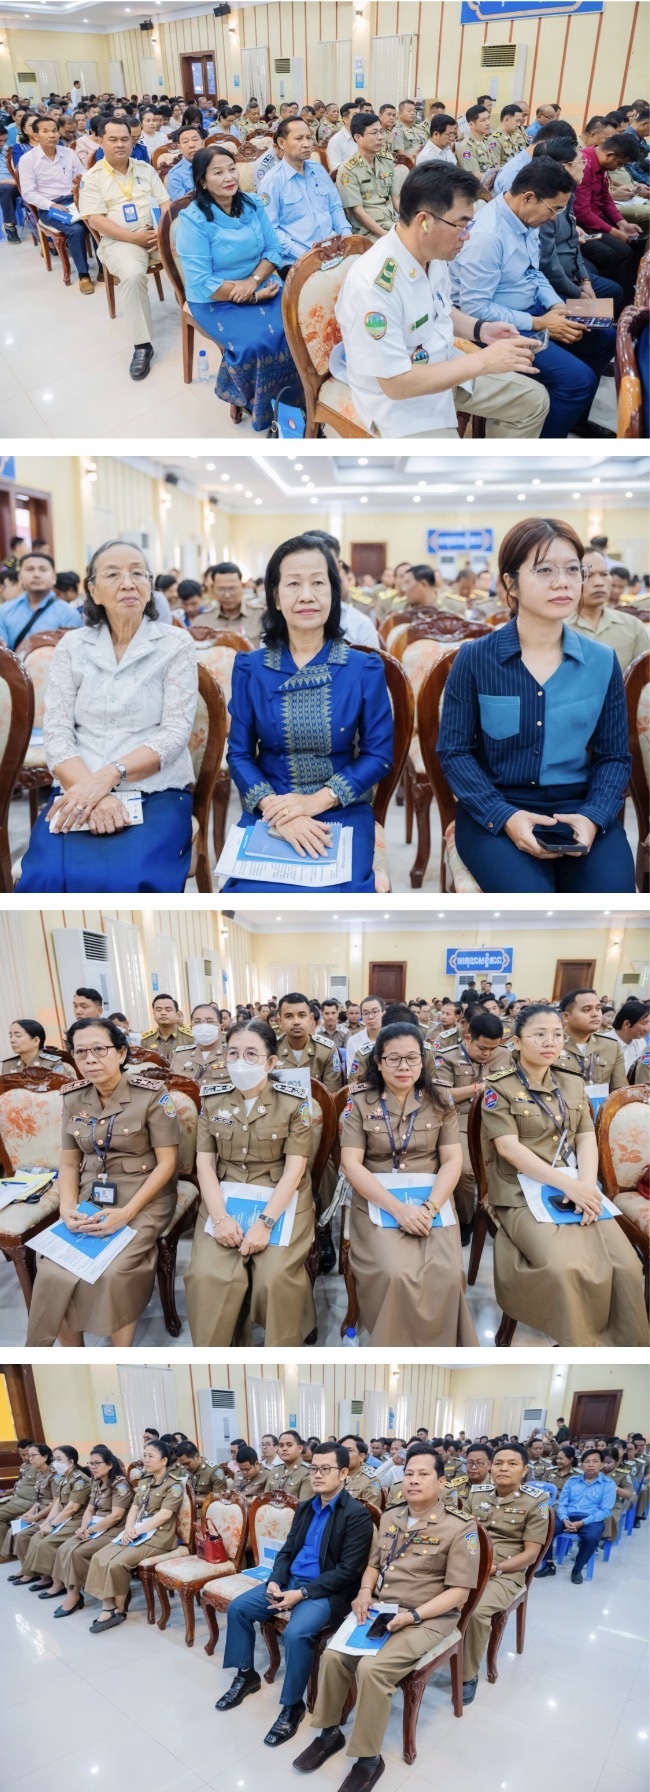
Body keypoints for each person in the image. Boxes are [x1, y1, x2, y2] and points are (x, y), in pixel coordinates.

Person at [437, 517, 636, 892]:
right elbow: (454, 752)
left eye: (573, 569)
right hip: (497, 809)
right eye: (544, 570)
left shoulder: (601, 660)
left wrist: (593, 817)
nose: (563, 582)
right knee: (529, 898)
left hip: (578, 805)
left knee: (609, 898)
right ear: (510, 583)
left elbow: (614, 757)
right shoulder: (475, 658)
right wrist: (505, 816)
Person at [17, 541, 198, 896]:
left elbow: (175, 734)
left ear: (149, 586)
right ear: (93, 590)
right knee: (46, 876)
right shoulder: (72, 646)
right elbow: (57, 733)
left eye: (137, 573)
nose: (128, 583)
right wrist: (93, 792)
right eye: (113, 574)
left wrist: (108, 777)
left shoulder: (176, 643)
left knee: (130, 877)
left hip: (155, 789)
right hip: (78, 786)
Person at [299, 1443, 480, 1789]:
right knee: (334, 1656)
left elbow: (459, 1594)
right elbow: (373, 1564)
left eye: (423, 1474)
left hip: (428, 1618)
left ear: (441, 1482)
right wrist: (364, 1592)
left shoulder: (459, 1527)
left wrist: (412, 1617)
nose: (414, 1480)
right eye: (409, 1473)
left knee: (373, 1669)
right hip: (383, 1609)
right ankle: (330, 1733)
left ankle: (369, 1758)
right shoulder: (391, 1516)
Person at [225, 535, 393, 894]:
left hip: (340, 803)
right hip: (271, 805)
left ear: (334, 592)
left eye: (318, 583)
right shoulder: (251, 668)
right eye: (293, 584)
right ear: (275, 596)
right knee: (252, 897)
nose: (306, 595)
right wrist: (279, 809)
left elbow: (378, 755)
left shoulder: (363, 668)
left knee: (341, 899)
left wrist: (315, 802)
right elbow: (239, 754)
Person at [336, 162, 548, 440]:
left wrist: (482, 330)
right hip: (403, 400)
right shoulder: (373, 285)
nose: (467, 235)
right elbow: (396, 385)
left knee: (534, 401)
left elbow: (440, 310)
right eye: (461, 225)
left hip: (444, 363)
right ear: (424, 221)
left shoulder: (432, 254)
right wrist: (483, 361)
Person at [480, 1003, 649, 1345]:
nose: (550, 1042)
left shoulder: (571, 1081)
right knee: (564, 1267)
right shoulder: (499, 1088)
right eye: (539, 1034)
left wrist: (585, 1186)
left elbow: (586, 1136)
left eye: (557, 1034)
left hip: (575, 1184)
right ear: (517, 1041)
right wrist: (570, 1186)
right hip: (520, 1189)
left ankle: (622, 1345)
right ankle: (579, 1342)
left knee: (627, 1265)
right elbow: (508, 1149)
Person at [25, 1016, 180, 1348]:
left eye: (99, 1049)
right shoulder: (73, 1098)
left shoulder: (151, 1094)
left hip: (144, 1196)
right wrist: (67, 1209)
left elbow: (168, 1164)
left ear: (121, 1053)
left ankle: (119, 1353)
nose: (90, 1059)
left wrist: (126, 1213)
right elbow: (69, 1163)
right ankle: (75, 1356)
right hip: (92, 1195)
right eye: (80, 1052)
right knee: (54, 1267)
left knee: (113, 1270)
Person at [216, 1441, 374, 1749]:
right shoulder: (305, 1507)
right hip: (290, 1582)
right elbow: (287, 1551)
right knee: (239, 1608)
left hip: (325, 1592)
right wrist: (276, 1581)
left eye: (325, 1469)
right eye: (314, 1468)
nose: (317, 1475)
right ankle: (246, 1675)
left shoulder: (356, 1515)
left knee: (296, 1633)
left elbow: (349, 1571)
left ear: (343, 1473)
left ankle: (292, 1705)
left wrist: (301, 1593)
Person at [453, 156, 617, 437]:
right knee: (577, 380)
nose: (554, 217)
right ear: (528, 197)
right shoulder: (486, 236)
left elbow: (533, 271)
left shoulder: (526, 219)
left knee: (606, 335)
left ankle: (572, 415)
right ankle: (544, 442)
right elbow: (475, 309)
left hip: (533, 308)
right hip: (499, 326)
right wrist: (540, 323)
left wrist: (556, 305)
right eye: (554, 209)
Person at [340, 1020, 477, 1346]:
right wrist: (399, 1210)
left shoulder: (440, 1098)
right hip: (377, 1198)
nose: (404, 1066)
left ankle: (437, 1348)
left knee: (447, 1273)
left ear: (422, 1059)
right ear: (378, 1061)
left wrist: (430, 1207)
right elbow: (351, 1164)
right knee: (394, 1273)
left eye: (412, 1058)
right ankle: (391, 1345)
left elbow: (452, 1161)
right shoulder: (360, 1100)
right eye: (394, 1058)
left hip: (433, 1198)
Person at [185, 1018, 315, 1347]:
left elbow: (295, 1169)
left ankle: (280, 1353)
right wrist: (220, 1219)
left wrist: (265, 1224)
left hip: (280, 1194)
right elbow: (205, 1164)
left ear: (270, 1062)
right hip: (225, 1194)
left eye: (251, 1054)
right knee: (206, 1274)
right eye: (233, 1053)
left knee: (274, 1277)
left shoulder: (294, 1101)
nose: (240, 1062)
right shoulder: (211, 1099)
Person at [175, 145, 297, 431]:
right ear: (203, 182)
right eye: (218, 172)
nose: (229, 177)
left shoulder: (252, 204)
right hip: (216, 298)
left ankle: (296, 396)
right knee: (257, 343)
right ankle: (258, 404)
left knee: (296, 324)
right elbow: (202, 281)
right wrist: (251, 296)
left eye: (232, 169)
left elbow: (273, 250)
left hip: (261, 281)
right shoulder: (193, 220)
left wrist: (253, 281)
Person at [78, 116, 170, 381]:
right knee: (131, 274)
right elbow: (96, 220)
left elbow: (165, 203)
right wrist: (134, 238)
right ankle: (143, 344)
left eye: (125, 139)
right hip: (120, 241)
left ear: (133, 141)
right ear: (100, 141)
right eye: (113, 139)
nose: (120, 144)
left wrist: (162, 231)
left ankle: (200, 312)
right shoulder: (93, 177)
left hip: (155, 233)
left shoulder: (145, 169)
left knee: (190, 252)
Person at [460, 1443, 550, 1702]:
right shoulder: (477, 1494)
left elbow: (531, 1554)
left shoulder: (536, 1501)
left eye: (512, 1464)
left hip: (505, 1573)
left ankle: (467, 1674)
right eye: (498, 1463)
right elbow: (461, 1532)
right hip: (469, 1564)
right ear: (490, 1467)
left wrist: (496, 1568)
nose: (504, 1468)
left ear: (524, 1470)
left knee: (476, 1611)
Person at [84, 1437, 184, 1630]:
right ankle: (107, 1606)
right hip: (137, 1533)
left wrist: (136, 1531)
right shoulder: (145, 1482)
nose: (145, 1459)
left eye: (151, 1456)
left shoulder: (174, 1485)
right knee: (99, 1556)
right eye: (144, 1455)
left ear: (164, 1460)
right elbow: (134, 1508)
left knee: (118, 1563)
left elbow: (164, 1515)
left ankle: (120, 1610)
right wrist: (129, 1529)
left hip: (158, 1538)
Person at [434, 1009, 512, 1239]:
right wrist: (479, 1088)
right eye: (482, 1048)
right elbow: (442, 1096)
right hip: (460, 1119)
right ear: (468, 1038)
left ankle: (503, 1216)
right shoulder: (446, 1057)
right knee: (463, 1170)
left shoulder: (505, 1055)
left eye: (493, 1048)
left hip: (496, 1118)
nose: (488, 1054)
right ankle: (466, 1220)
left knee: (510, 1163)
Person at [42, 1446, 133, 1617]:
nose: (93, 1467)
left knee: (78, 1552)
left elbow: (116, 1516)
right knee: (64, 1548)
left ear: (110, 1465)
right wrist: (84, 1527)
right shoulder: (96, 1482)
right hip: (94, 1527)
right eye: (91, 1463)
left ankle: (76, 1594)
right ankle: (71, 1592)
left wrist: (90, 1530)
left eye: (97, 1463)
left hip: (114, 1529)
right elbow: (90, 1509)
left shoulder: (120, 1485)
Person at [259, 117, 350, 267]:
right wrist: (305, 255)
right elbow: (271, 229)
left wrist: (346, 236)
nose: (307, 144)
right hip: (298, 259)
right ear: (281, 143)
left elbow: (335, 206)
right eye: (299, 138)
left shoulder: (318, 169)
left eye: (309, 138)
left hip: (334, 250)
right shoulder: (272, 181)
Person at [17, 114, 94, 291]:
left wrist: (81, 191)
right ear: (35, 135)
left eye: (54, 131)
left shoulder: (69, 153)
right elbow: (28, 193)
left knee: (96, 220)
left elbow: (82, 177)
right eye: (45, 131)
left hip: (74, 200)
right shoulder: (28, 160)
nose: (52, 135)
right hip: (50, 207)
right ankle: (83, 275)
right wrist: (51, 205)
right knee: (76, 230)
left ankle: (104, 270)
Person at [573, 130, 643, 305]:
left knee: (637, 241)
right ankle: (618, 302)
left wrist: (622, 223)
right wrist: (614, 231)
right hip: (583, 223)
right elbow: (582, 212)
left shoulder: (602, 165)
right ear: (610, 155)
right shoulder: (585, 164)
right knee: (621, 253)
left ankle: (631, 292)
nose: (619, 168)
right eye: (619, 164)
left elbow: (605, 198)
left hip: (596, 217)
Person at [9, 1445, 91, 1588]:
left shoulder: (80, 1480)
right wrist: (46, 1523)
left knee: (46, 1543)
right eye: (54, 1459)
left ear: (70, 1462)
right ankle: (40, 1575)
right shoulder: (64, 1477)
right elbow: (58, 1504)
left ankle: (58, 1584)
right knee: (37, 1537)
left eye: (59, 1459)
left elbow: (72, 1508)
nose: (55, 1463)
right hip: (63, 1520)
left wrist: (52, 1525)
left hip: (75, 1521)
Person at [548, 1447, 617, 1583]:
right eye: (587, 1461)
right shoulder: (572, 1481)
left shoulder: (608, 1484)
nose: (590, 1465)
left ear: (602, 1464)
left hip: (591, 1520)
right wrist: (564, 1519)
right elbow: (562, 1504)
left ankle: (577, 1569)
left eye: (595, 1461)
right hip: (569, 1517)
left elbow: (605, 1511)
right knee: (546, 1528)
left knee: (591, 1538)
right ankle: (549, 1564)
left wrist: (582, 1523)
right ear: (581, 1465)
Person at [573, 548, 648, 670]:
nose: (599, 582)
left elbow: (645, 676)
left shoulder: (633, 627)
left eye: (604, 574)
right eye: (587, 575)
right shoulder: (556, 628)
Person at [0, 550, 83, 650]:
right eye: (29, 569)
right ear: (20, 577)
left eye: (43, 569)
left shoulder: (69, 614)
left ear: (54, 578)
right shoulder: (4, 611)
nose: (36, 574)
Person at [336, 111, 400, 238]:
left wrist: (407, 221)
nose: (380, 137)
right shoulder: (348, 170)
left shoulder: (386, 161)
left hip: (391, 224)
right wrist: (385, 236)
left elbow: (396, 198)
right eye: (374, 133)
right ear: (358, 138)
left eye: (381, 132)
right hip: (368, 232)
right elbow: (358, 212)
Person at [557, 987, 627, 1093]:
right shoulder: (551, 1045)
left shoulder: (611, 1046)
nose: (595, 1014)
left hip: (601, 1103)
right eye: (586, 1010)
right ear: (566, 1016)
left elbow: (619, 1090)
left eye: (598, 1008)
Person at [274, 993, 343, 1091]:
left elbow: (332, 1094)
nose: (296, 1022)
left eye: (302, 1015)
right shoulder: (270, 1049)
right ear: (280, 1021)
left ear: (311, 1019)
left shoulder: (327, 1051)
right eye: (289, 1016)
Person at [4, 1444, 55, 1566]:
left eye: (33, 1455)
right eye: (28, 1455)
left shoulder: (54, 1475)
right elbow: (38, 1500)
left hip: (49, 1514)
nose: (29, 1458)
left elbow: (55, 1503)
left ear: (45, 1457)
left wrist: (36, 1517)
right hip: (39, 1510)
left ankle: (33, 1570)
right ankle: (26, 1567)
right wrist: (27, 1514)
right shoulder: (39, 1474)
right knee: (15, 1529)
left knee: (23, 1535)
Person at [202, 560, 264, 641]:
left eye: (232, 589)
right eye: (221, 589)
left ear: (242, 586)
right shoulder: (203, 621)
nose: (227, 595)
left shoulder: (261, 616)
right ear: (213, 588)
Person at [168, 1002, 227, 1082]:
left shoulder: (232, 1054)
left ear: (221, 1028)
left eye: (210, 1021)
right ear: (191, 1028)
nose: (203, 1026)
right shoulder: (180, 1056)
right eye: (197, 1021)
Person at [0, 1440, 39, 1560]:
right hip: (16, 1499)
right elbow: (22, 1485)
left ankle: (6, 1553)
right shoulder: (24, 1466)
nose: (26, 1457)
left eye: (29, 1454)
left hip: (28, 1503)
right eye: (22, 1455)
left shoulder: (39, 1466)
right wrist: (7, 1492)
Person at [455, 103, 501, 191]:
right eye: (483, 120)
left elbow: (496, 166)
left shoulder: (488, 141)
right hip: (478, 192)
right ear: (471, 125)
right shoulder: (466, 147)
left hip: (492, 187)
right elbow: (476, 175)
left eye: (488, 118)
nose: (488, 123)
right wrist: (499, 182)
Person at [2, 1018, 66, 1074]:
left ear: (36, 1041)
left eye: (18, 1036)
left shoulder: (52, 1063)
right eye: (10, 1036)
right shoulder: (8, 1065)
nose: (12, 1040)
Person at [265, 1431, 314, 1499]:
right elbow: (265, 1499)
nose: (284, 1449)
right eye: (281, 1445)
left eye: (289, 1445)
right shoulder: (274, 1470)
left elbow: (304, 1504)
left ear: (300, 1448)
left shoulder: (308, 1472)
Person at [337, 1436, 381, 1506]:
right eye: (341, 1451)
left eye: (349, 1450)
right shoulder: (331, 1474)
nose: (343, 1454)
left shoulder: (370, 1481)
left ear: (361, 1457)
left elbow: (369, 1511)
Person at [165, 120, 203, 197]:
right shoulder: (175, 174)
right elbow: (181, 203)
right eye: (185, 142)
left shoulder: (214, 164)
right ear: (179, 148)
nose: (191, 145)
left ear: (203, 143)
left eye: (195, 140)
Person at [326, 102, 356, 172]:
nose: (360, 118)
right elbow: (336, 170)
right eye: (355, 115)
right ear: (345, 120)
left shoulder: (362, 137)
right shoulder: (336, 141)